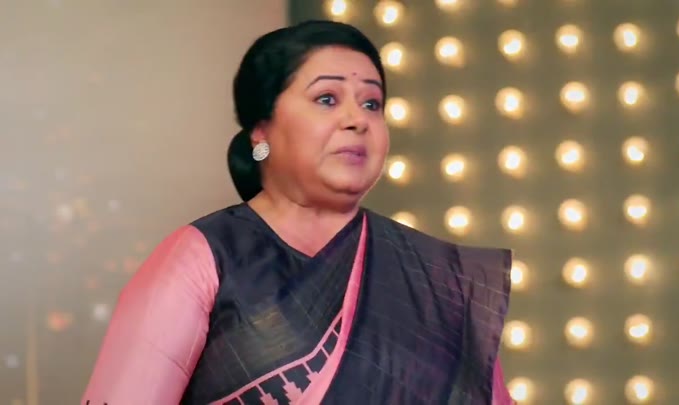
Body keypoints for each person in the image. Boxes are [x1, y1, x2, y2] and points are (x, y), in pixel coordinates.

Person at [81, 20, 514, 405]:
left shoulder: (439, 280)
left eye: (371, 104)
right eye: (327, 98)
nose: (357, 120)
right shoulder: (202, 258)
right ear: (261, 131)